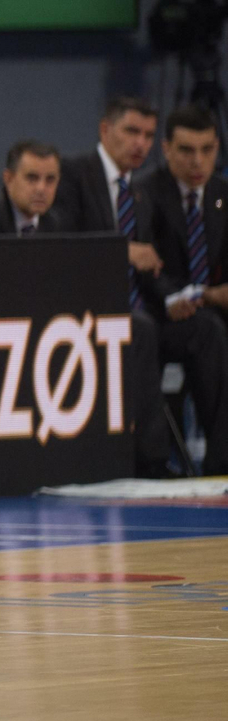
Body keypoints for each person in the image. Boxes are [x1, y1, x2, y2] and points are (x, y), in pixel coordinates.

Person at [54, 96, 228, 476]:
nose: (140, 144)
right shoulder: (74, 174)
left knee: (207, 329)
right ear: (105, 130)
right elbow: (61, 246)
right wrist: (123, 251)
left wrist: (177, 300)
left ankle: (221, 463)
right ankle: (151, 461)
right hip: (86, 311)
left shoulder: (137, 193)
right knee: (142, 329)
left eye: (148, 135)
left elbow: (151, 271)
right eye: (132, 131)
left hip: (142, 310)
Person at [139, 104, 228, 474]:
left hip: (214, 313)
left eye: (207, 150)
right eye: (187, 151)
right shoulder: (144, 194)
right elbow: (146, 267)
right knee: (208, 330)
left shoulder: (224, 196)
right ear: (166, 148)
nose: (198, 162)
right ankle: (222, 461)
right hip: (163, 318)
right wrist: (189, 296)